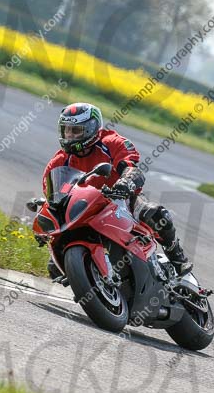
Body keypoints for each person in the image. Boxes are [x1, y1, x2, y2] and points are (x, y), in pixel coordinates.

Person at [40, 102, 192, 277]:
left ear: (91, 128)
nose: (70, 135)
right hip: (84, 208)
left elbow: (131, 167)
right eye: (66, 130)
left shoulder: (112, 142)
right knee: (56, 268)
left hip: (120, 198)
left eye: (76, 131)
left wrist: (126, 182)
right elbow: (53, 195)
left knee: (155, 213)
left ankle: (178, 258)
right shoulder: (59, 161)